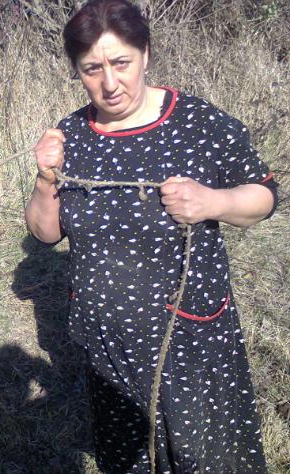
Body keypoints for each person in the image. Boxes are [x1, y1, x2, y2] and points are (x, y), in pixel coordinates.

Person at [25, 0, 277, 472]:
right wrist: (45, 178)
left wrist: (213, 202)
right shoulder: (71, 135)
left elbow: (264, 197)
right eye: (92, 69)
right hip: (108, 344)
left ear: (145, 54)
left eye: (121, 63)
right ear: (77, 71)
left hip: (190, 340)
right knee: (132, 461)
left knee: (206, 458)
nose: (110, 83)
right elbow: (44, 233)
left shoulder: (197, 122)